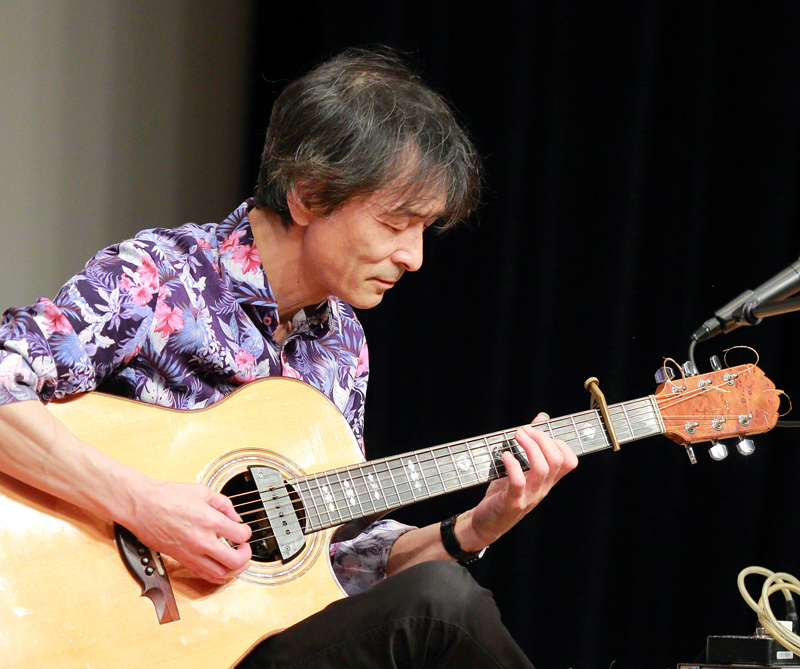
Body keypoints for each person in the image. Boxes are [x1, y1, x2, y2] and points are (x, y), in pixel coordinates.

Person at [0, 48, 578, 667]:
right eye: (395, 224)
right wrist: (141, 503)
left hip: (251, 646)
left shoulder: (342, 342)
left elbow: (340, 563)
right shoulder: (158, 277)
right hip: (106, 637)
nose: (413, 257)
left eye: (423, 230)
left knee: (439, 598)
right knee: (443, 603)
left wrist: (475, 528)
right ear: (307, 196)